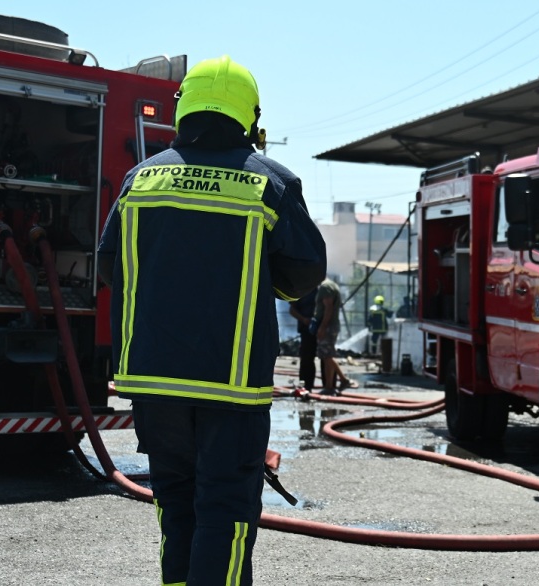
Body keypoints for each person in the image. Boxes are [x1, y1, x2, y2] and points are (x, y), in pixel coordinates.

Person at [96, 55, 326, 586]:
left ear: (185, 108)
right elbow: (303, 274)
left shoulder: (140, 179)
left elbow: (112, 267)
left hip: (152, 376)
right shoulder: (269, 183)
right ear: (252, 115)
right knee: (225, 507)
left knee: (177, 503)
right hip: (231, 381)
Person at [311, 277, 356, 395]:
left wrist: (322, 327)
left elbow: (328, 308)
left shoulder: (325, 287)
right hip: (331, 325)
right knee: (327, 356)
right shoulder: (331, 285)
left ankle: (343, 380)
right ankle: (329, 386)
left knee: (327, 356)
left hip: (328, 326)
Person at [289, 286, 319, 391]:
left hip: (320, 329)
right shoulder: (301, 291)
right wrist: (303, 319)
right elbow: (292, 310)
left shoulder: (320, 289)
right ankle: (305, 386)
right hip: (306, 330)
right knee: (307, 358)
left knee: (325, 357)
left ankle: (325, 386)